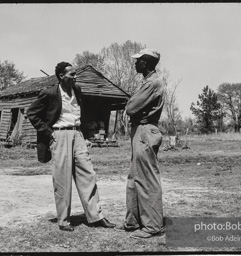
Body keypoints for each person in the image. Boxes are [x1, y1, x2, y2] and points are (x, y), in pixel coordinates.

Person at [27, 61, 115, 232]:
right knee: (62, 179)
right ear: (61, 76)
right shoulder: (50, 93)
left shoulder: (77, 90)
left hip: (77, 135)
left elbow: (83, 113)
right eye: (72, 74)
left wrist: (86, 135)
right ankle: (64, 220)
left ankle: (96, 217)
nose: (75, 77)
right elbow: (32, 113)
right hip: (59, 135)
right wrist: (48, 133)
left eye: (75, 74)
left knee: (88, 175)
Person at [115, 49, 165, 239]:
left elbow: (130, 107)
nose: (135, 64)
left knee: (146, 179)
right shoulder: (148, 82)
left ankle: (153, 226)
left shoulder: (152, 83)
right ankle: (133, 221)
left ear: (146, 63)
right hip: (140, 131)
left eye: (138, 61)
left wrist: (131, 104)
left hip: (145, 131)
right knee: (134, 178)